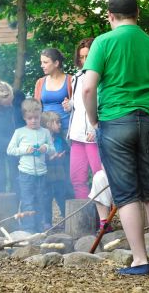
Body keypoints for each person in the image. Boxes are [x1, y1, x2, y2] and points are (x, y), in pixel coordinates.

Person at [82, 0, 149, 274]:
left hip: (115, 122)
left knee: (127, 193)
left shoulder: (103, 42)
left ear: (110, 15)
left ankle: (140, 261)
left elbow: (87, 88)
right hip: (148, 121)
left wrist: (94, 120)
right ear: (137, 13)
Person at [7, 99, 54, 233]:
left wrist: (46, 148)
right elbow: (10, 150)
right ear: (24, 117)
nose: (33, 121)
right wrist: (24, 150)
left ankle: (38, 228)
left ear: (40, 115)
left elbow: (53, 150)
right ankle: (28, 229)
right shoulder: (19, 132)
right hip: (25, 174)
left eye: (36, 118)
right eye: (30, 118)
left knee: (40, 200)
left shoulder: (45, 132)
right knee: (28, 201)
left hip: (42, 173)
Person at [63, 38, 102, 199]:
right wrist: (69, 104)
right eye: (82, 57)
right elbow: (80, 102)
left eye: (88, 56)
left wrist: (97, 128)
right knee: (77, 178)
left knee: (100, 178)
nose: (85, 60)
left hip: (94, 135)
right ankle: (86, 218)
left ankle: (104, 219)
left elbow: (102, 103)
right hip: (77, 135)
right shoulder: (76, 77)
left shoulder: (103, 76)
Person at [34, 48, 72, 135]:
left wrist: (71, 104)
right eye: (41, 62)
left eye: (45, 62)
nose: (42, 65)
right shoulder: (40, 82)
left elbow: (79, 105)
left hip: (67, 129)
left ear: (56, 63)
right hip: (46, 131)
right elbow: (36, 108)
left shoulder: (71, 80)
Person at [41, 111, 68, 228]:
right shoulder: (42, 139)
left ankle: (67, 219)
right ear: (48, 124)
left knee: (62, 196)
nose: (60, 125)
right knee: (46, 199)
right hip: (47, 175)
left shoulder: (60, 139)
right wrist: (49, 158)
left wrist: (63, 155)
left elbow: (66, 150)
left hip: (59, 173)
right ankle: (47, 222)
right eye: (57, 122)